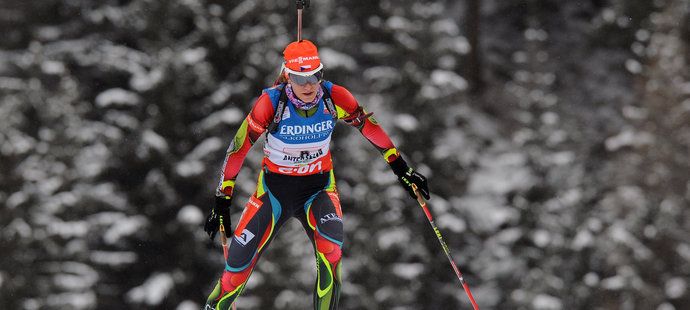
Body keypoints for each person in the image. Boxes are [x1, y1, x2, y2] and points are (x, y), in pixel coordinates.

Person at [203, 39, 430, 310]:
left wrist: (402, 170)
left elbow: (369, 127)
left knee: (331, 251)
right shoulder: (272, 104)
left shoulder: (335, 98)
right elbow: (237, 150)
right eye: (301, 78)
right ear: (288, 76)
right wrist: (222, 200)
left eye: (315, 76)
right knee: (236, 268)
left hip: (318, 189)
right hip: (275, 193)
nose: (309, 85)